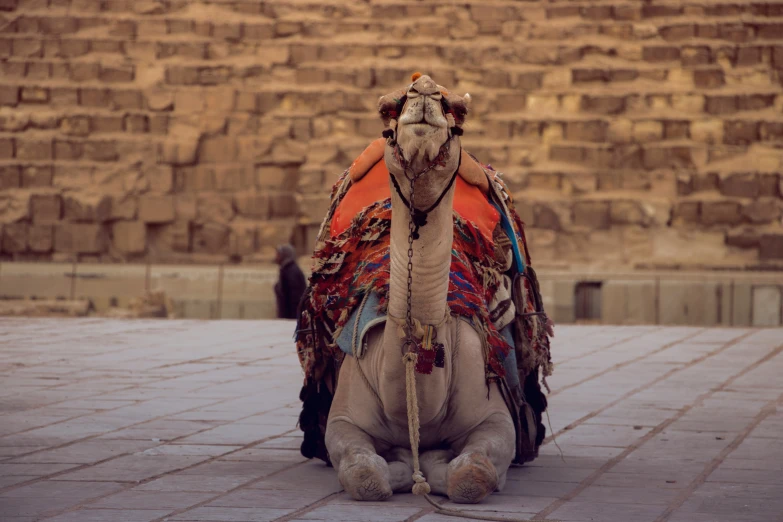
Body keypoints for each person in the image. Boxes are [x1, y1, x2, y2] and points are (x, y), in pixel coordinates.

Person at [274, 244, 306, 320]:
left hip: (291, 318)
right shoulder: (286, 270)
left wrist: (292, 318)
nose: (276, 257)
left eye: (278, 254)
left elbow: (295, 297)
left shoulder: (292, 271)